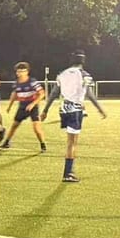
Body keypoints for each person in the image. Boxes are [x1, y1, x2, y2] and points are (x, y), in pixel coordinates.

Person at [41, 50, 107, 183]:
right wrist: (100, 109)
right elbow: (89, 94)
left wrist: (45, 111)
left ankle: (68, 172)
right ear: (83, 61)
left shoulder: (62, 74)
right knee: (72, 143)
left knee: (70, 141)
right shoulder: (84, 75)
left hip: (64, 109)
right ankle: (68, 173)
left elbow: (54, 93)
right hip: (76, 110)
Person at [0, 62, 47, 152]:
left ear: (27, 72)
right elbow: (14, 94)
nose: (20, 73)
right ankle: (6, 143)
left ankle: (43, 145)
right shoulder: (17, 83)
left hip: (33, 108)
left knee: (36, 128)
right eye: (18, 71)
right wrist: (9, 106)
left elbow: (42, 94)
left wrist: (33, 104)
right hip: (22, 106)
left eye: (22, 71)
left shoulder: (32, 82)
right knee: (14, 125)